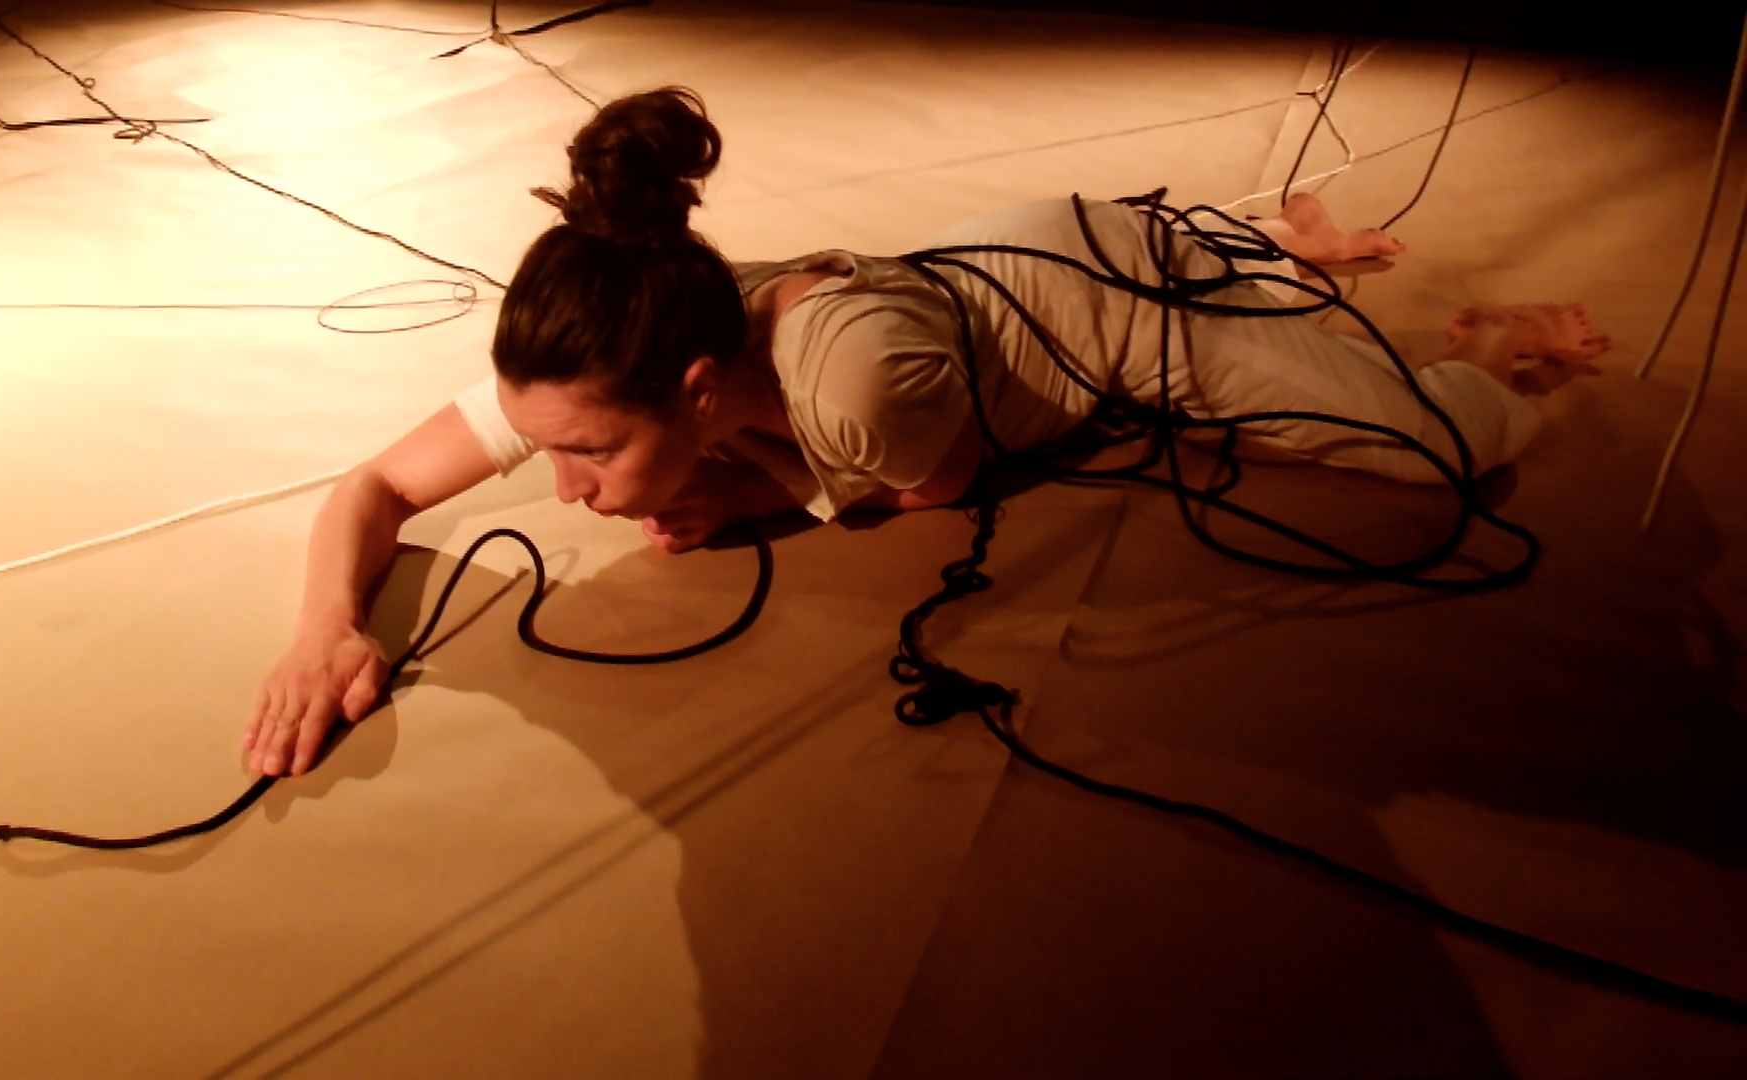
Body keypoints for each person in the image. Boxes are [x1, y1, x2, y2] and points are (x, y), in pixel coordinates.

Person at [242, 86, 1610, 778]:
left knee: (1448, 449)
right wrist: (323, 630)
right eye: (552, 447)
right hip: (972, 266)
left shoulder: (854, 390)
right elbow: (374, 488)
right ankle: (1281, 249)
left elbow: (945, 483)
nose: (563, 486)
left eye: (591, 456)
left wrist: (755, 502)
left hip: (1099, 302)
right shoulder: (607, 344)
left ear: (703, 391)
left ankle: (1475, 342)